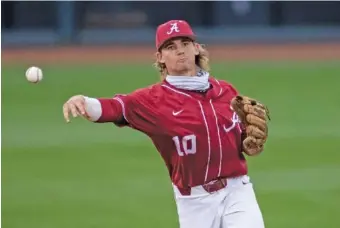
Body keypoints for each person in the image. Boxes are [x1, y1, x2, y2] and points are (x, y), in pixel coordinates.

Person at [63, 20, 267, 228]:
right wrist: (84, 102)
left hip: (238, 191)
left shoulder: (226, 91)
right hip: (195, 202)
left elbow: (242, 136)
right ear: (160, 58)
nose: (180, 51)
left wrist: (246, 138)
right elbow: (116, 107)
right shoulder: (153, 101)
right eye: (171, 47)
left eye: (185, 43)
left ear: (196, 48)